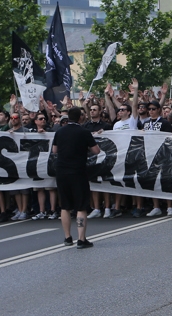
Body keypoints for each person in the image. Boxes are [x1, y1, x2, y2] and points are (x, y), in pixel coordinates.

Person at [52, 107, 101, 249]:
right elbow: (96, 150)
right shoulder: (84, 132)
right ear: (80, 117)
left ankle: (67, 237)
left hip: (61, 171)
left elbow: (54, 150)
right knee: (80, 205)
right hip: (78, 171)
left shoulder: (60, 131)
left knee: (65, 205)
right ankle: (81, 239)